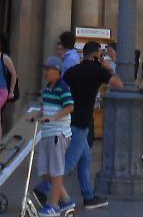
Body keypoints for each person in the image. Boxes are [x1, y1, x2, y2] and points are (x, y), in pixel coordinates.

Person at [62, 41, 121, 210]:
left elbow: (61, 88)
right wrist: (106, 67)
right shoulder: (98, 70)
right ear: (96, 55)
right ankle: (43, 190)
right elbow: (119, 84)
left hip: (69, 119)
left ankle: (88, 196)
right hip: (82, 123)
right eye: (101, 55)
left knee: (85, 159)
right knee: (69, 163)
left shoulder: (72, 71)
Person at [35, 56, 75, 216]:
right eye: (45, 69)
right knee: (45, 170)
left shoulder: (62, 87)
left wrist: (54, 118)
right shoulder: (48, 87)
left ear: (57, 71)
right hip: (47, 133)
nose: (45, 72)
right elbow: (44, 107)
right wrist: (36, 115)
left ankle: (54, 205)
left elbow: (70, 106)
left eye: (48, 69)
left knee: (56, 171)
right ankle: (66, 200)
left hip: (58, 133)